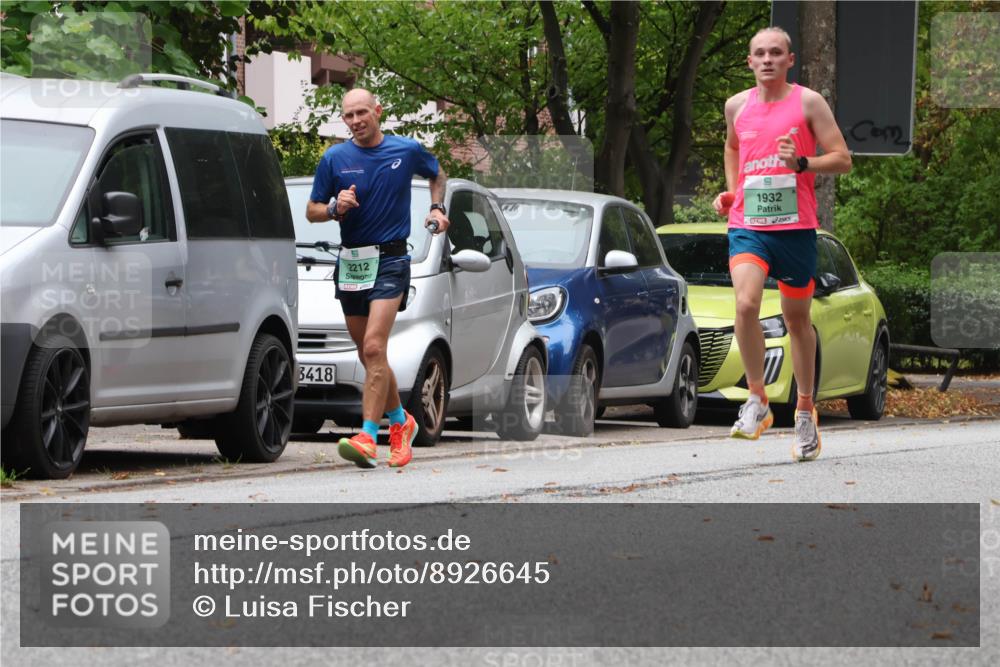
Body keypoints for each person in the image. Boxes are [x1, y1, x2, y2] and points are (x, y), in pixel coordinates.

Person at [713, 27, 852, 462]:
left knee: (797, 321)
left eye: (776, 52)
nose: (768, 59)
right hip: (749, 225)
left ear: (790, 59)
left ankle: (806, 409)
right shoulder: (736, 105)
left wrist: (804, 163)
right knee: (746, 304)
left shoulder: (808, 102)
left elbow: (843, 159)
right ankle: (757, 400)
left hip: (795, 229)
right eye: (760, 53)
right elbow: (732, 147)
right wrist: (732, 191)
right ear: (750, 61)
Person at [306, 88, 450, 469]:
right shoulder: (335, 158)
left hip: (390, 258)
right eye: (349, 116)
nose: (355, 121)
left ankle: (368, 436)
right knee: (370, 354)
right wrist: (335, 207)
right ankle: (401, 422)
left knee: (373, 346)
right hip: (352, 260)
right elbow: (312, 211)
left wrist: (437, 208)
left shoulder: (405, 150)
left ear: (377, 111)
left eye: (361, 113)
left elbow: (438, 173)